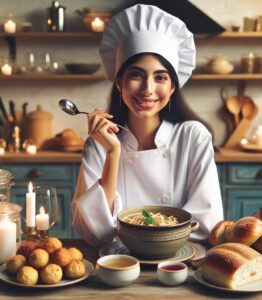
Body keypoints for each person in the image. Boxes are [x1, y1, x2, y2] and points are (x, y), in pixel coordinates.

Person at [72, 4, 223, 246]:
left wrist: (136, 237)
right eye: (136, 75)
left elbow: (206, 222)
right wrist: (113, 152)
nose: (148, 89)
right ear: (119, 82)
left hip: (178, 264)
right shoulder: (99, 143)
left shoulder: (193, 136)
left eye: (160, 77)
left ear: (173, 87)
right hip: (117, 266)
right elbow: (92, 232)